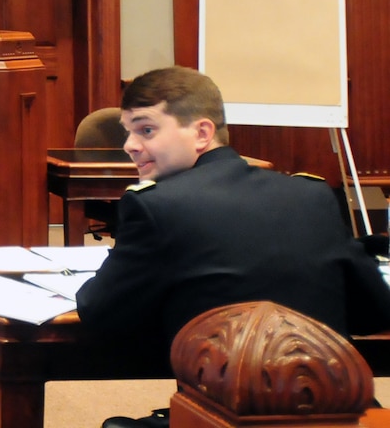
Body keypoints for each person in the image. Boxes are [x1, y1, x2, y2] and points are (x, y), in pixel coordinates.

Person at [76, 67, 390, 403]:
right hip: (338, 412)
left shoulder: (156, 206)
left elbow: (100, 315)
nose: (130, 146)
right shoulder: (312, 195)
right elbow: (374, 312)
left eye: (146, 130)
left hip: (224, 413)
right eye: (128, 133)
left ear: (202, 133)